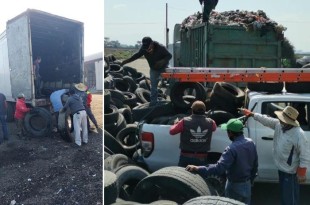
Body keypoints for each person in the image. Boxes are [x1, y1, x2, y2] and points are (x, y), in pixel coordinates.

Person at [240, 106, 310, 205]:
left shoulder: (298, 134)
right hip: (281, 168)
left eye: (282, 119)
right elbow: (266, 120)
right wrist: (251, 114)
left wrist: (302, 173)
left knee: (290, 199)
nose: (280, 120)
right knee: (285, 195)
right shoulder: (279, 124)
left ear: (289, 122)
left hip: (290, 172)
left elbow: (305, 155)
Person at [186, 118, 258, 205]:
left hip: (234, 186)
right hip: (247, 185)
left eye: (227, 132)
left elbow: (219, 168)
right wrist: (251, 181)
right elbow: (255, 164)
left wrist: (198, 168)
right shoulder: (251, 143)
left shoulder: (231, 149)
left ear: (230, 132)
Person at [121, 36, 172, 106]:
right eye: (146, 47)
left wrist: (162, 61)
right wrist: (126, 61)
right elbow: (136, 56)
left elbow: (169, 56)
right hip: (154, 69)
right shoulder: (143, 49)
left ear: (152, 43)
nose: (147, 49)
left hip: (164, 68)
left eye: (149, 47)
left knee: (171, 83)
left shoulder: (160, 48)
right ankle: (153, 103)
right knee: (153, 86)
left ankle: (173, 101)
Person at [169, 100, 217, 167]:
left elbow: (172, 131)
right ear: (204, 110)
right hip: (202, 157)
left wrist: (176, 124)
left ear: (192, 110)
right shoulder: (211, 122)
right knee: (200, 177)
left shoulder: (184, 121)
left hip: (186, 157)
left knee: (182, 176)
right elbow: (214, 128)